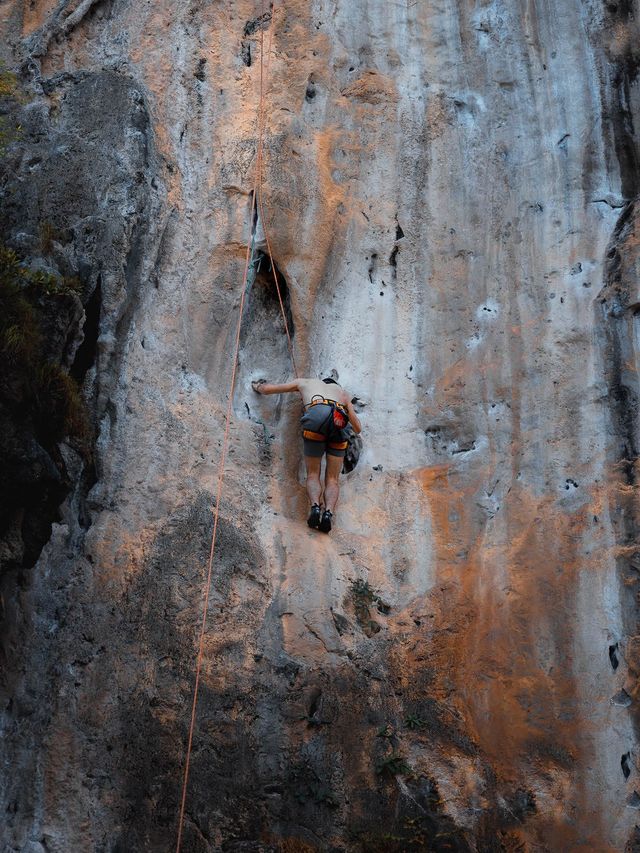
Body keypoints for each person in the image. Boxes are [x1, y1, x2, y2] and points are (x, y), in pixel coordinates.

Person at [251, 375, 362, 533]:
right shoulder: (342, 393)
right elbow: (357, 428)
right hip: (339, 419)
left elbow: (269, 389)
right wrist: (345, 406)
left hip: (317, 413)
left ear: (322, 381)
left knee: (313, 474)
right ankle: (328, 513)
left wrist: (258, 386)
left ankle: (315, 507)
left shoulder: (305, 382)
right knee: (332, 479)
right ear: (335, 384)